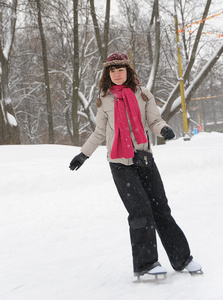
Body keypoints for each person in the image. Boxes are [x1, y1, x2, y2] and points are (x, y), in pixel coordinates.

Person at [69, 51, 202, 277]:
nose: (117, 74)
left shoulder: (143, 95)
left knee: (161, 209)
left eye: (121, 69)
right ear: (107, 74)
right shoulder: (104, 99)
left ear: (128, 71)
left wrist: (164, 130)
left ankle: (182, 258)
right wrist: (83, 154)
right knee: (140, 211)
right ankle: (146, 264)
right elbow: (100, 132)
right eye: (112, 70)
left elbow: (154, 121)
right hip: (120, 164)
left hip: (144, 158)